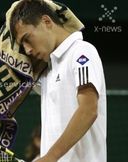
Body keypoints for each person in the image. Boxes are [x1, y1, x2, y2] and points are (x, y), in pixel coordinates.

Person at [9, 0, 107, 162]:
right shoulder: (47, 70)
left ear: (46, 22)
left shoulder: (82, 51)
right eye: (22, 46)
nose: (27, 50)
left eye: (27, 38)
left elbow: (89, 110)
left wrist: (49, 157)